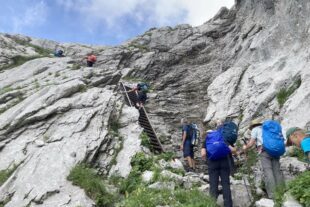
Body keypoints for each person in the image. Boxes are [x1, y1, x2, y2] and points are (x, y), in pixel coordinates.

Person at [242, 118, 284, 199]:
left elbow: (251, 143)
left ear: (253, 125)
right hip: (275, 150)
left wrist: (245, 148)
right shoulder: (268, 129)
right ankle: (282, 192)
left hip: (264, 152)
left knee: (268, 171)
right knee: (277, 171)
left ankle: (273, 194)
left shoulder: (255, 129)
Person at [201, 119, 236, 207]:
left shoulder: (207, 139)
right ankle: (228, 204)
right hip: (224, 162)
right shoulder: (222, 137)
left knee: (213, 184)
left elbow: (203, 153)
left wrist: (207, 160)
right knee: (226, 184)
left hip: (212, 163)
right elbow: (232, 150)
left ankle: (212, 204)